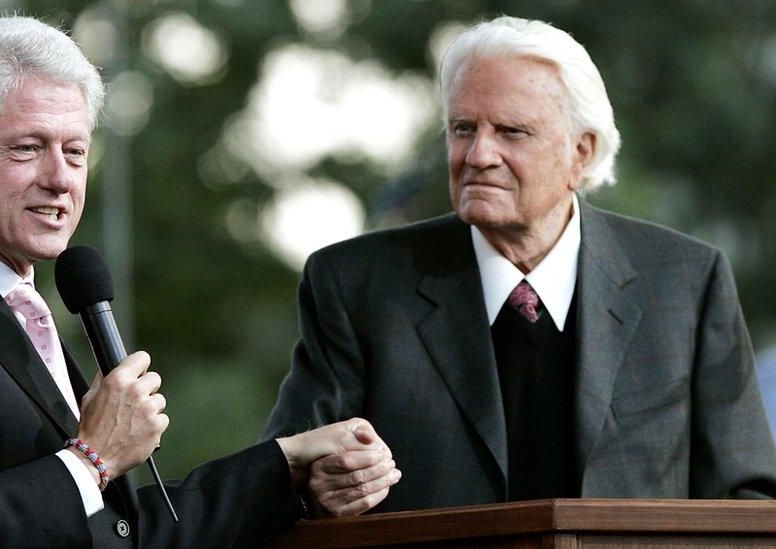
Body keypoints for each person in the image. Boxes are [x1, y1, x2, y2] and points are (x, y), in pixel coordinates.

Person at [0, 16, 400, 548]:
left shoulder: (13, 307)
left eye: (76, 151)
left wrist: (287, 468)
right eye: (29, 147)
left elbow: (121, 532)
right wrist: (92, 458)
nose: (60, 179)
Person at [261, 15, 776, 512]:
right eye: (463, 128)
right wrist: (319, 491)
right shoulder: (356, 284)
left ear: (582, 153)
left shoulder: (686, 281)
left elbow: (746, 498)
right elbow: (280, 480)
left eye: (511, 131)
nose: (478, 154)